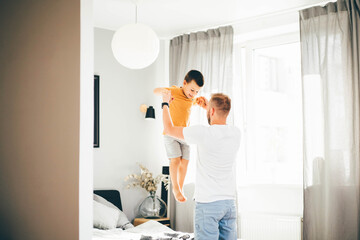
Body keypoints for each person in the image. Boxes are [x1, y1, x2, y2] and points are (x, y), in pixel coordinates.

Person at [161, 91, 241, 240]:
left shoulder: (202, 133)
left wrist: (165, 103)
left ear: (212, 111)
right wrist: (209, 109)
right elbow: (218, 126)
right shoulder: (236, 133)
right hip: (228, 203)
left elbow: (169, 129)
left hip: (208, 204)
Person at [154, 70, 208, 202]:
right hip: (170, 134)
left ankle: (180, 186)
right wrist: (164, 92)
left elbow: (194, 102)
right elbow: (156, 90)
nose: (193, 94)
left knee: (185, 162)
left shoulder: (192, 99)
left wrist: (200, 102)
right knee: (175, 160)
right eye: (192, 90)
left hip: (184, 134)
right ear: (184, 83)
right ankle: (175, 188)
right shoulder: (174, 91)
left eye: (197, 91)